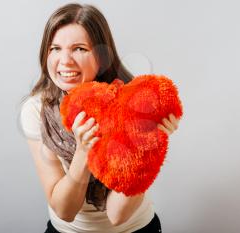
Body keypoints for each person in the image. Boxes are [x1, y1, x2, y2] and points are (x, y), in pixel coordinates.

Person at [20, 3, 179, 233]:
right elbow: (64, 209)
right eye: (55, 48)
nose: (65, 60)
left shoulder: (132, 102)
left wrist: (148, 146)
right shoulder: (37, 111)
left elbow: (118, 214)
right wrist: (84, 151)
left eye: (80, 49)